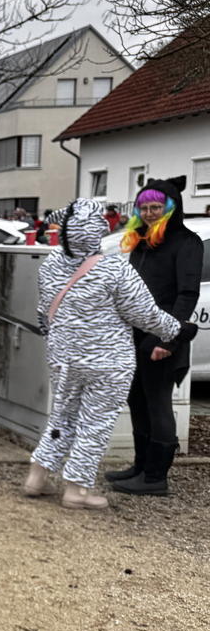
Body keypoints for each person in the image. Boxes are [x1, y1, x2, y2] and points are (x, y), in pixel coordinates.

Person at [25, 200, 195, 508]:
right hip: (107, 362)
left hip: (62, 356)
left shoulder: (50, 264)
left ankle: (37, 476)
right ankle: (76, 490)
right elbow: (145, 315)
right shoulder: (114, 268)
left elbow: (42, 314)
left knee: (62, 415)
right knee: (95, 423)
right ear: (97, 232)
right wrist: (176, 330)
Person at [106, 178, 203, 496]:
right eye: (144, 207)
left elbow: (186, 295)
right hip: (135, 333)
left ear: (170, 208)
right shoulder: (143, 240)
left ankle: (155, 478)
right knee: (137, 400)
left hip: (163, 335)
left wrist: (168, 338)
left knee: (158, 402)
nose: (149, 213)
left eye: (156, 207)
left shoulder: (187, 242)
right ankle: (141, 466)